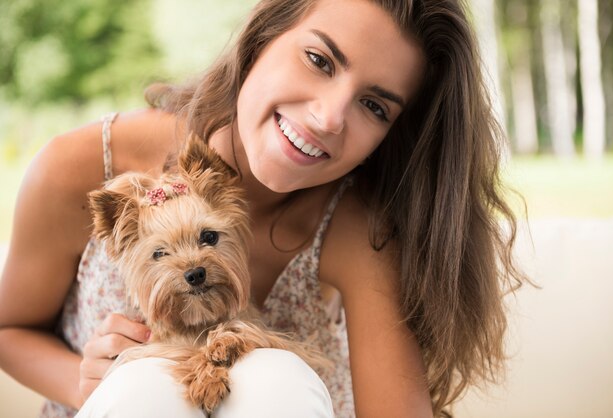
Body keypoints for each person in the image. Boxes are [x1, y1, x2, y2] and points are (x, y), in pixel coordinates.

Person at [0, 0, 526, 417]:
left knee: (276, 382)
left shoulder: (357, 229)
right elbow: (9, 330)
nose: (328, 118)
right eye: (319, 60)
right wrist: (86, 380)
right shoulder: (84, 164)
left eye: (374, 106)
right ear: (262, 36)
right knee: (145, 389)